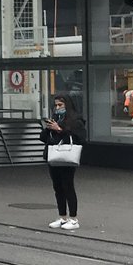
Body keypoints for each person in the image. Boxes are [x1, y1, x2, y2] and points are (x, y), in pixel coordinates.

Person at [40, 94, 86, 230]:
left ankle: (73, 218)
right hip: (53, 156)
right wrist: (48, 128)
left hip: (67, 157)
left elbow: (80, 138)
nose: (57, 108)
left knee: (68, 186)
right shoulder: (55, 119)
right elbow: (43, 138)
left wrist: (59, 129)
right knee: (57, 187)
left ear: (68, 106)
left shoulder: (75, 120)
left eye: (60, 105)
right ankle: (62, 216)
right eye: (56, 105)